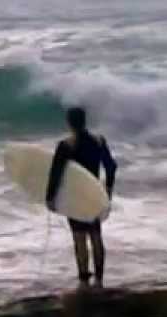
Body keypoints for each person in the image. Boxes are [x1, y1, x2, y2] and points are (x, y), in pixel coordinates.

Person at [46, 107, 117, 289]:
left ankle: (84, 279)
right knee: (96, 235)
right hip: (93, 194)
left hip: (75, 196)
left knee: (79, 238)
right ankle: (99, 279)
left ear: (69, 122)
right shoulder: (99, 141)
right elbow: (111, 166)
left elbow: (56, 174)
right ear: (84, 121)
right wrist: (107, 189)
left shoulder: (66, 146)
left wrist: (50, 198)